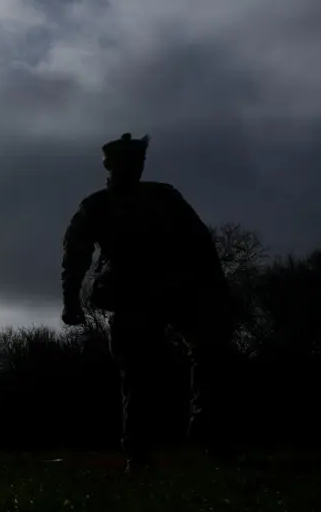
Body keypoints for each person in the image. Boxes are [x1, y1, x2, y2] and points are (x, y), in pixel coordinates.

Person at [61, 133, 235, 474]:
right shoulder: (96, 206)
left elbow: (201, 243)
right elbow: (76, 255)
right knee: (138, 375)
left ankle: (210, 433)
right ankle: (138, 455)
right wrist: (70, 301)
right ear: (111, 166)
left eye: (138, 162)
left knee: (211, 350)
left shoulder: (164, 196)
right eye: (128, 163)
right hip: (132, 294)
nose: (134, 169)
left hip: (181, 288)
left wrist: (216, 289)